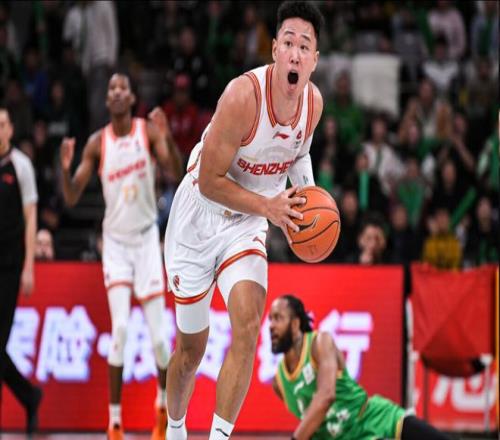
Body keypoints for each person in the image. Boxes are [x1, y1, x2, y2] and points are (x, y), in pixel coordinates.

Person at [164, 2, 324, 438]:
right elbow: (209, 182)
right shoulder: (242, 96)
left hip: (247, 225)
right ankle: (175, 427)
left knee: (250, 326)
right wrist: (269, 207)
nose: (295, 53)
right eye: (288, 43)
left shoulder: (313, 104)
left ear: (314, 60)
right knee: (190, 352)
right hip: (199, 216)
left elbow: (300, 153)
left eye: (304, 47)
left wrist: (307, 202)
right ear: (274, 50)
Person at [60, 73, 182, 440]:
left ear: (131, 98)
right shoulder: (97, 143)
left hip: (146, 242)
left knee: (159, 339)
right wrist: (64, 169)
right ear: (107, 100)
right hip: (115, 245)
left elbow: (175, 172)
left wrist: (169, 137)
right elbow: (71, 197)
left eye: (122, 88)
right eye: (110, 88)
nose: (115, 92)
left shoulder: (149, 132)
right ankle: (114, 422)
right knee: (121, 330)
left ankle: (162, 408)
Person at [269, 294, 452, 439]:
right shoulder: (279, 383)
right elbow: (310, 424)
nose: (271, 326)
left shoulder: (319, 342)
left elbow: (326, 396)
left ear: (295, 324)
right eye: (270, 319)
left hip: (370, 417)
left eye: (278, 318)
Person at [0, 107, 43, 434]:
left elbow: (31, 218)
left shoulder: (21, 165)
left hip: (10, 266)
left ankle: (29, 397)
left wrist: (29, 265)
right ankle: (29, 396)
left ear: (11, 129)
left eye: (2, 124)